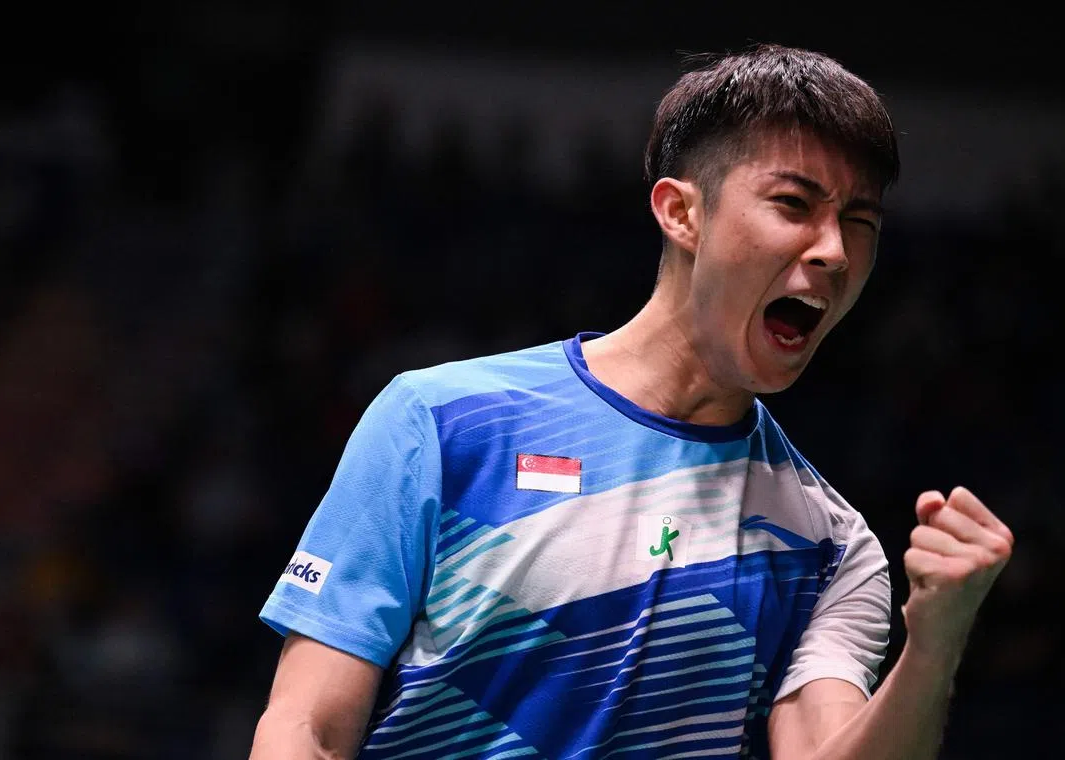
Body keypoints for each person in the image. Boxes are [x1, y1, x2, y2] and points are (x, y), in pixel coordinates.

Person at [249, 43, 1014, 760]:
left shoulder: (828, 546)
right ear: (682, 213)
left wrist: (935, 644)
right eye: (793, 204)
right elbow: (307, 726)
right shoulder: (445, 424)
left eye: (859, 222)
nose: (835, 251)